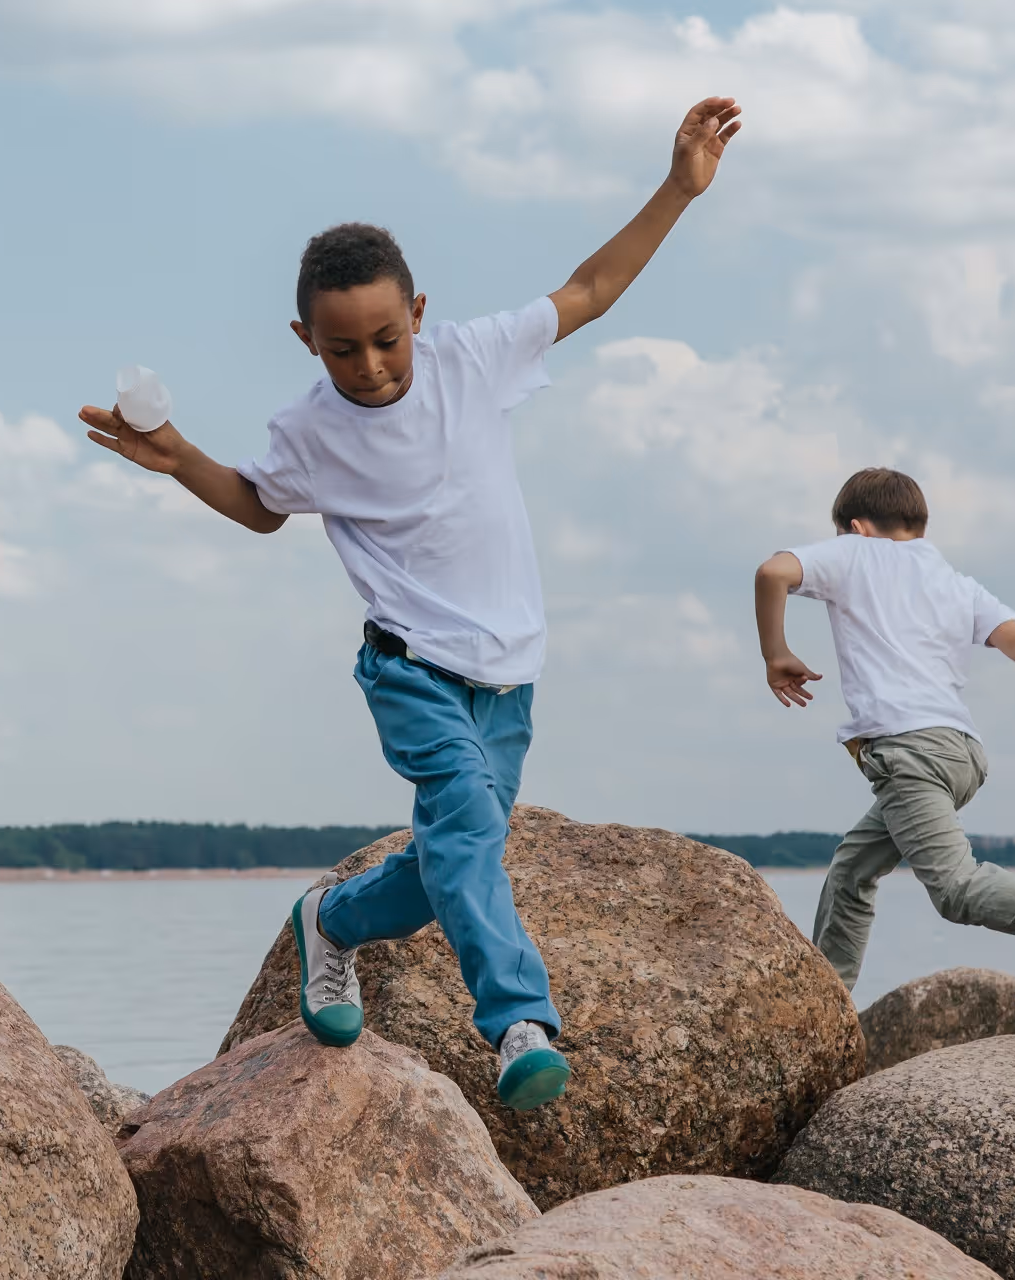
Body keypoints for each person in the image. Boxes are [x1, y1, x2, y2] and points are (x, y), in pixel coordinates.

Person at [79, 97, 743, 1109]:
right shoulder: (309, 431)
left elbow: (591, 288)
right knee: (467, 831)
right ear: (305, 339)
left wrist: (678, 190)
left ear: (419, 314)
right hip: (410, 667)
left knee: (449, 867)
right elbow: (259, 507)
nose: (371, 365)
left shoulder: (472, 360)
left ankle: (331, 921)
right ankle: (519, 1022)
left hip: (510, 676)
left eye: (387, 339)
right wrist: (179, 458)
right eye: (343, 349)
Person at [753, 467, 1015, 1033]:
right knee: (852, 869)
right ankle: (827, 1009)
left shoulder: (856, 552)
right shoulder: (952, 581)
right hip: (961, 753)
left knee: (954, 888)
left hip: (909, 753)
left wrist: (775, 653)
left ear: (856, 526)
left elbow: (772, 571)